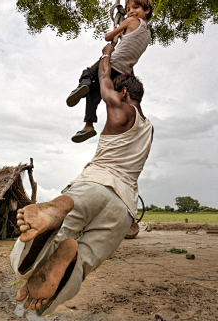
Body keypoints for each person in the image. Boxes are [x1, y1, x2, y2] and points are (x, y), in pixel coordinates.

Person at [10, 43, 154, 317]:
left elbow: (102, 78)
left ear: (122, 92)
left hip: (93, 185)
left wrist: (107, 54)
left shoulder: (118, 109)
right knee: (85, 259)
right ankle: (61, 275)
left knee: (34, 253)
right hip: (123, 207)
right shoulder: (148, 126)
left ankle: (54, 213)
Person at [66, 0, 153, 143]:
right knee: (95, 93)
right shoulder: (147, 34)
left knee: (87, 72)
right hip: (123, 71)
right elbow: (130, 46)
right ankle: (88, 125)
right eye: (128, 9)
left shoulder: (131, 21)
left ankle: (83, 85)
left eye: (136, 7)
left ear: (147, 10)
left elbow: (108, 37)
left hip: (111, 62)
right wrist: (122, 35)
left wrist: (118, 28)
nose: (131, 12)